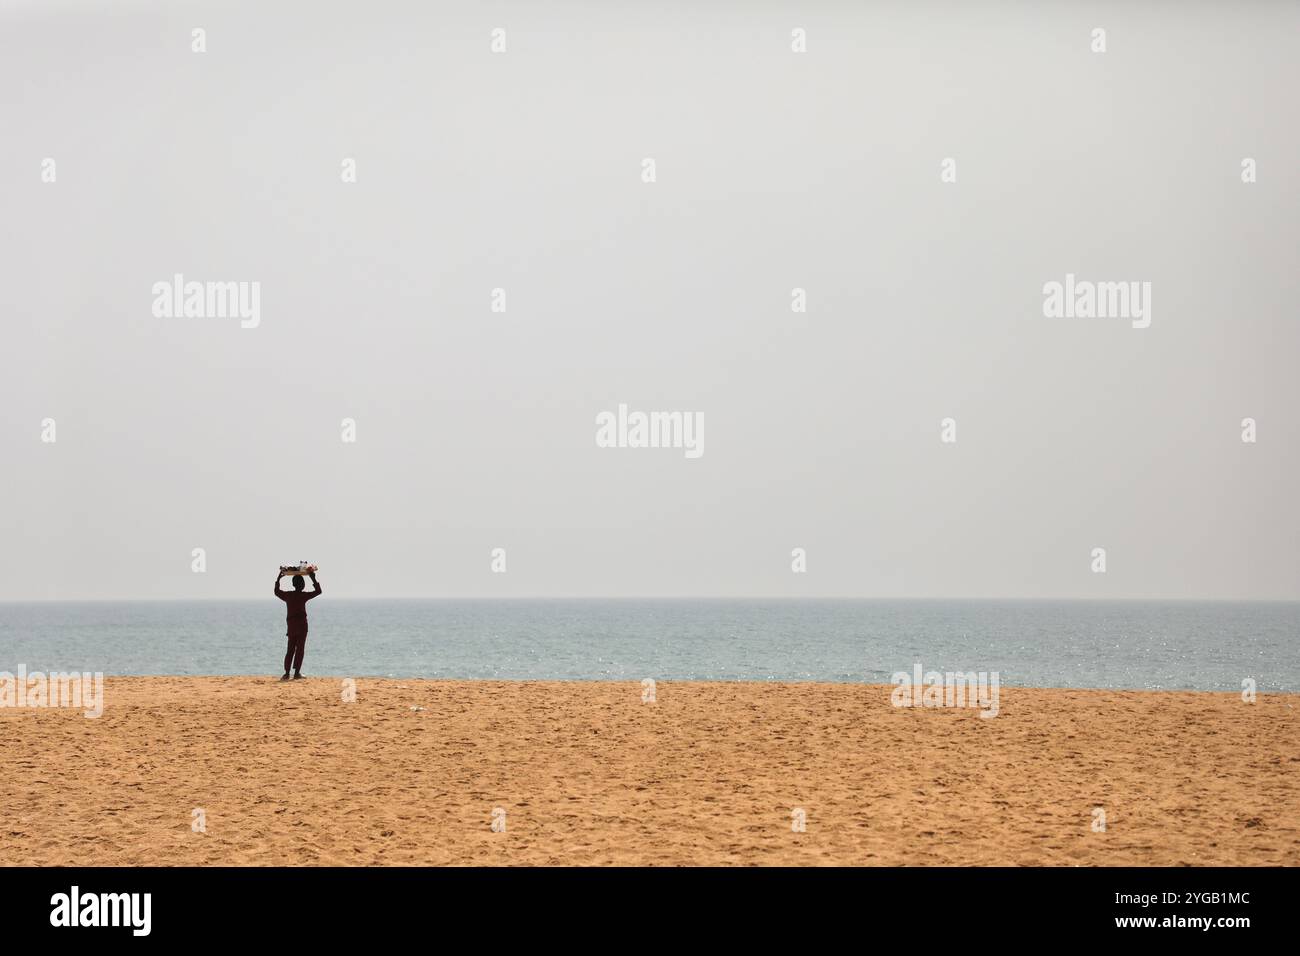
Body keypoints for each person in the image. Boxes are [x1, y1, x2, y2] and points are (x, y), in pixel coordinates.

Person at [274, 570, 322, 681]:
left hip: (291, 626)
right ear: (303, 585)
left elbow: (276, 591)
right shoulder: (303, 595)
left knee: (290, 649)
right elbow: (318, 591)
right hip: (302, 626)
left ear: (293, 584)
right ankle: (296, 673)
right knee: (300, 649)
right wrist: (313, 578)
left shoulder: (288, 595)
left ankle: (286, 673)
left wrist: (279, 578)